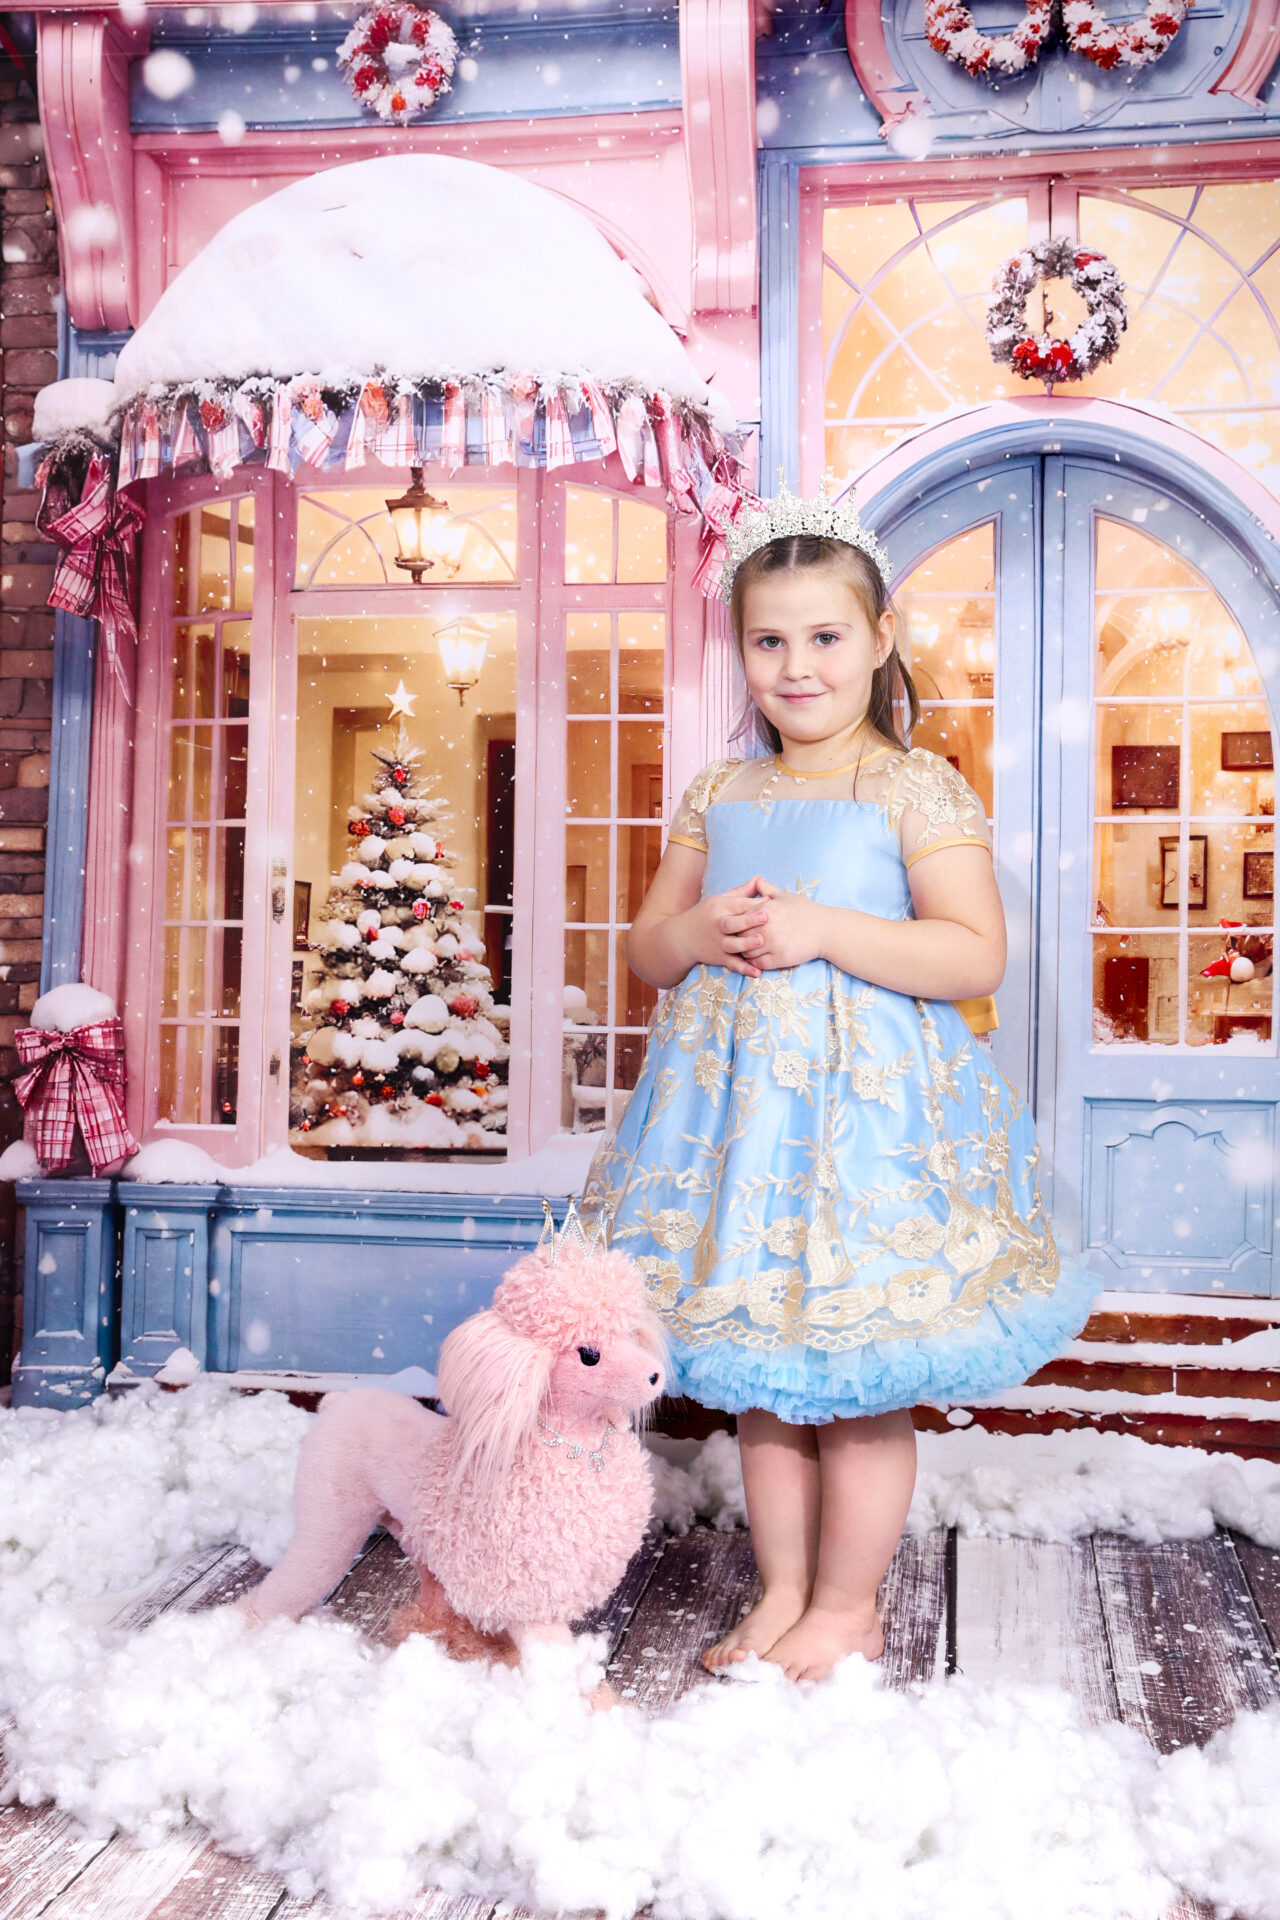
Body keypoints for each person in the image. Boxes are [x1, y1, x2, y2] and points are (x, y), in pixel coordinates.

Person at [583, 484, 1099, 1683]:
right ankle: (779, 1593)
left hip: (870, 1132)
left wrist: (822, 926)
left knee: (859, 1383)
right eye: (769, 640)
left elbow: (971, 952)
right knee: (766, 1382)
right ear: (742, 651)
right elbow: (643, 954)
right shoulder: (723, 796)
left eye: (823, 637)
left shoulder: (910, 788)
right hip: (741, 1133)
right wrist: (702, 927)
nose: (796, 665)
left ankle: (847, 1604)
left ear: (876, 641)